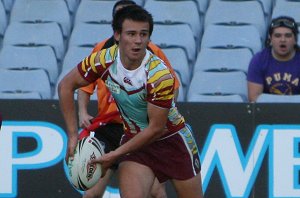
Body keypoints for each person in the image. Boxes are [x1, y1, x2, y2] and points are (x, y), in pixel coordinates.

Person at [59, 5, 203, 198]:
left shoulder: (159, 75)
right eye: (131, 34)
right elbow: (66, 86)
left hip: (173, 142)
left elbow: (156, 129)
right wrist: (72, 136)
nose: (137, 41)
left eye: (143, 34)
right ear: (117, 35)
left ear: (149, 38)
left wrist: (116, 154)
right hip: (136, 142)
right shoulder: (102, 60)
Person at [77, 1, 180, 197]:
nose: (136, 37)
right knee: (91, 194)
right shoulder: (101, 50)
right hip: (109, 129)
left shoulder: (152, 52)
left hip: (138, 131)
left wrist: (161, 113)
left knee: (156, 191)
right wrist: (82, 111)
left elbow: (172, 86)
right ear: (117, 28)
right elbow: (84, 84)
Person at [247, 16, 300, 102]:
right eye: (277, 36)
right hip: (267, 113)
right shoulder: (258, 60)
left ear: (295, 40)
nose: (283, 40)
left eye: (288, 35)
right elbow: (254, 100)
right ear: (270, 39)